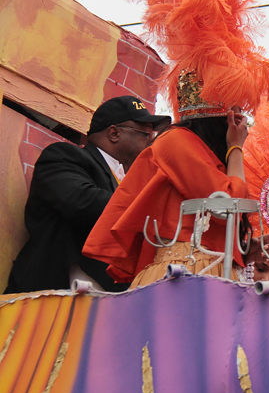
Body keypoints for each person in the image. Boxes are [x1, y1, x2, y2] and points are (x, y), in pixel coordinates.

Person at [5, 95, 169, 293]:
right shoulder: (64, 156)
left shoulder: (125, 179)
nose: (151, 144)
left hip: (106, 302)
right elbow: (83, 203)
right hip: (54, 293)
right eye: (145, 135)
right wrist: (153, 205)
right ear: (114, 133)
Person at [83, 110, 250, 288]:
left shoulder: (201, 151)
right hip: (185, 268)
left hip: (210, 268)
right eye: (235, 115)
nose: (241, 123)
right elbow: (228, 207)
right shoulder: (177, 139)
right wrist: (235, 147)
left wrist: (247, 248)